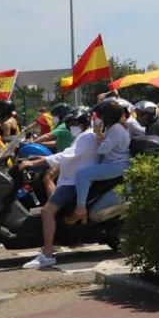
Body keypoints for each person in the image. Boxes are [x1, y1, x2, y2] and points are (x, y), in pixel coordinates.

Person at [20, 109, 99, 269]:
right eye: (70, 124)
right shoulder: (81, 136)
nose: (72, 127)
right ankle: (55, 240)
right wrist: (43, 159)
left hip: (72, 183)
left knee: (47, 211)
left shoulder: (87, 136)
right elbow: (66, 152)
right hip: (69, 179)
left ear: (84, 123)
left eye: (75, 124)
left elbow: (68, 154)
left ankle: (48, 254)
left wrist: (34, 163)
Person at [69, 98, 132, 225]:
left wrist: (98, 134)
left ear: (107, 116)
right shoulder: (116, 127)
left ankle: (80, 208)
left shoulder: (115, 129)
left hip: (115, 165)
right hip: (115, 163)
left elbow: (103, 149)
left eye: (101, 115)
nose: (99, 118)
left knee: (82, 174)